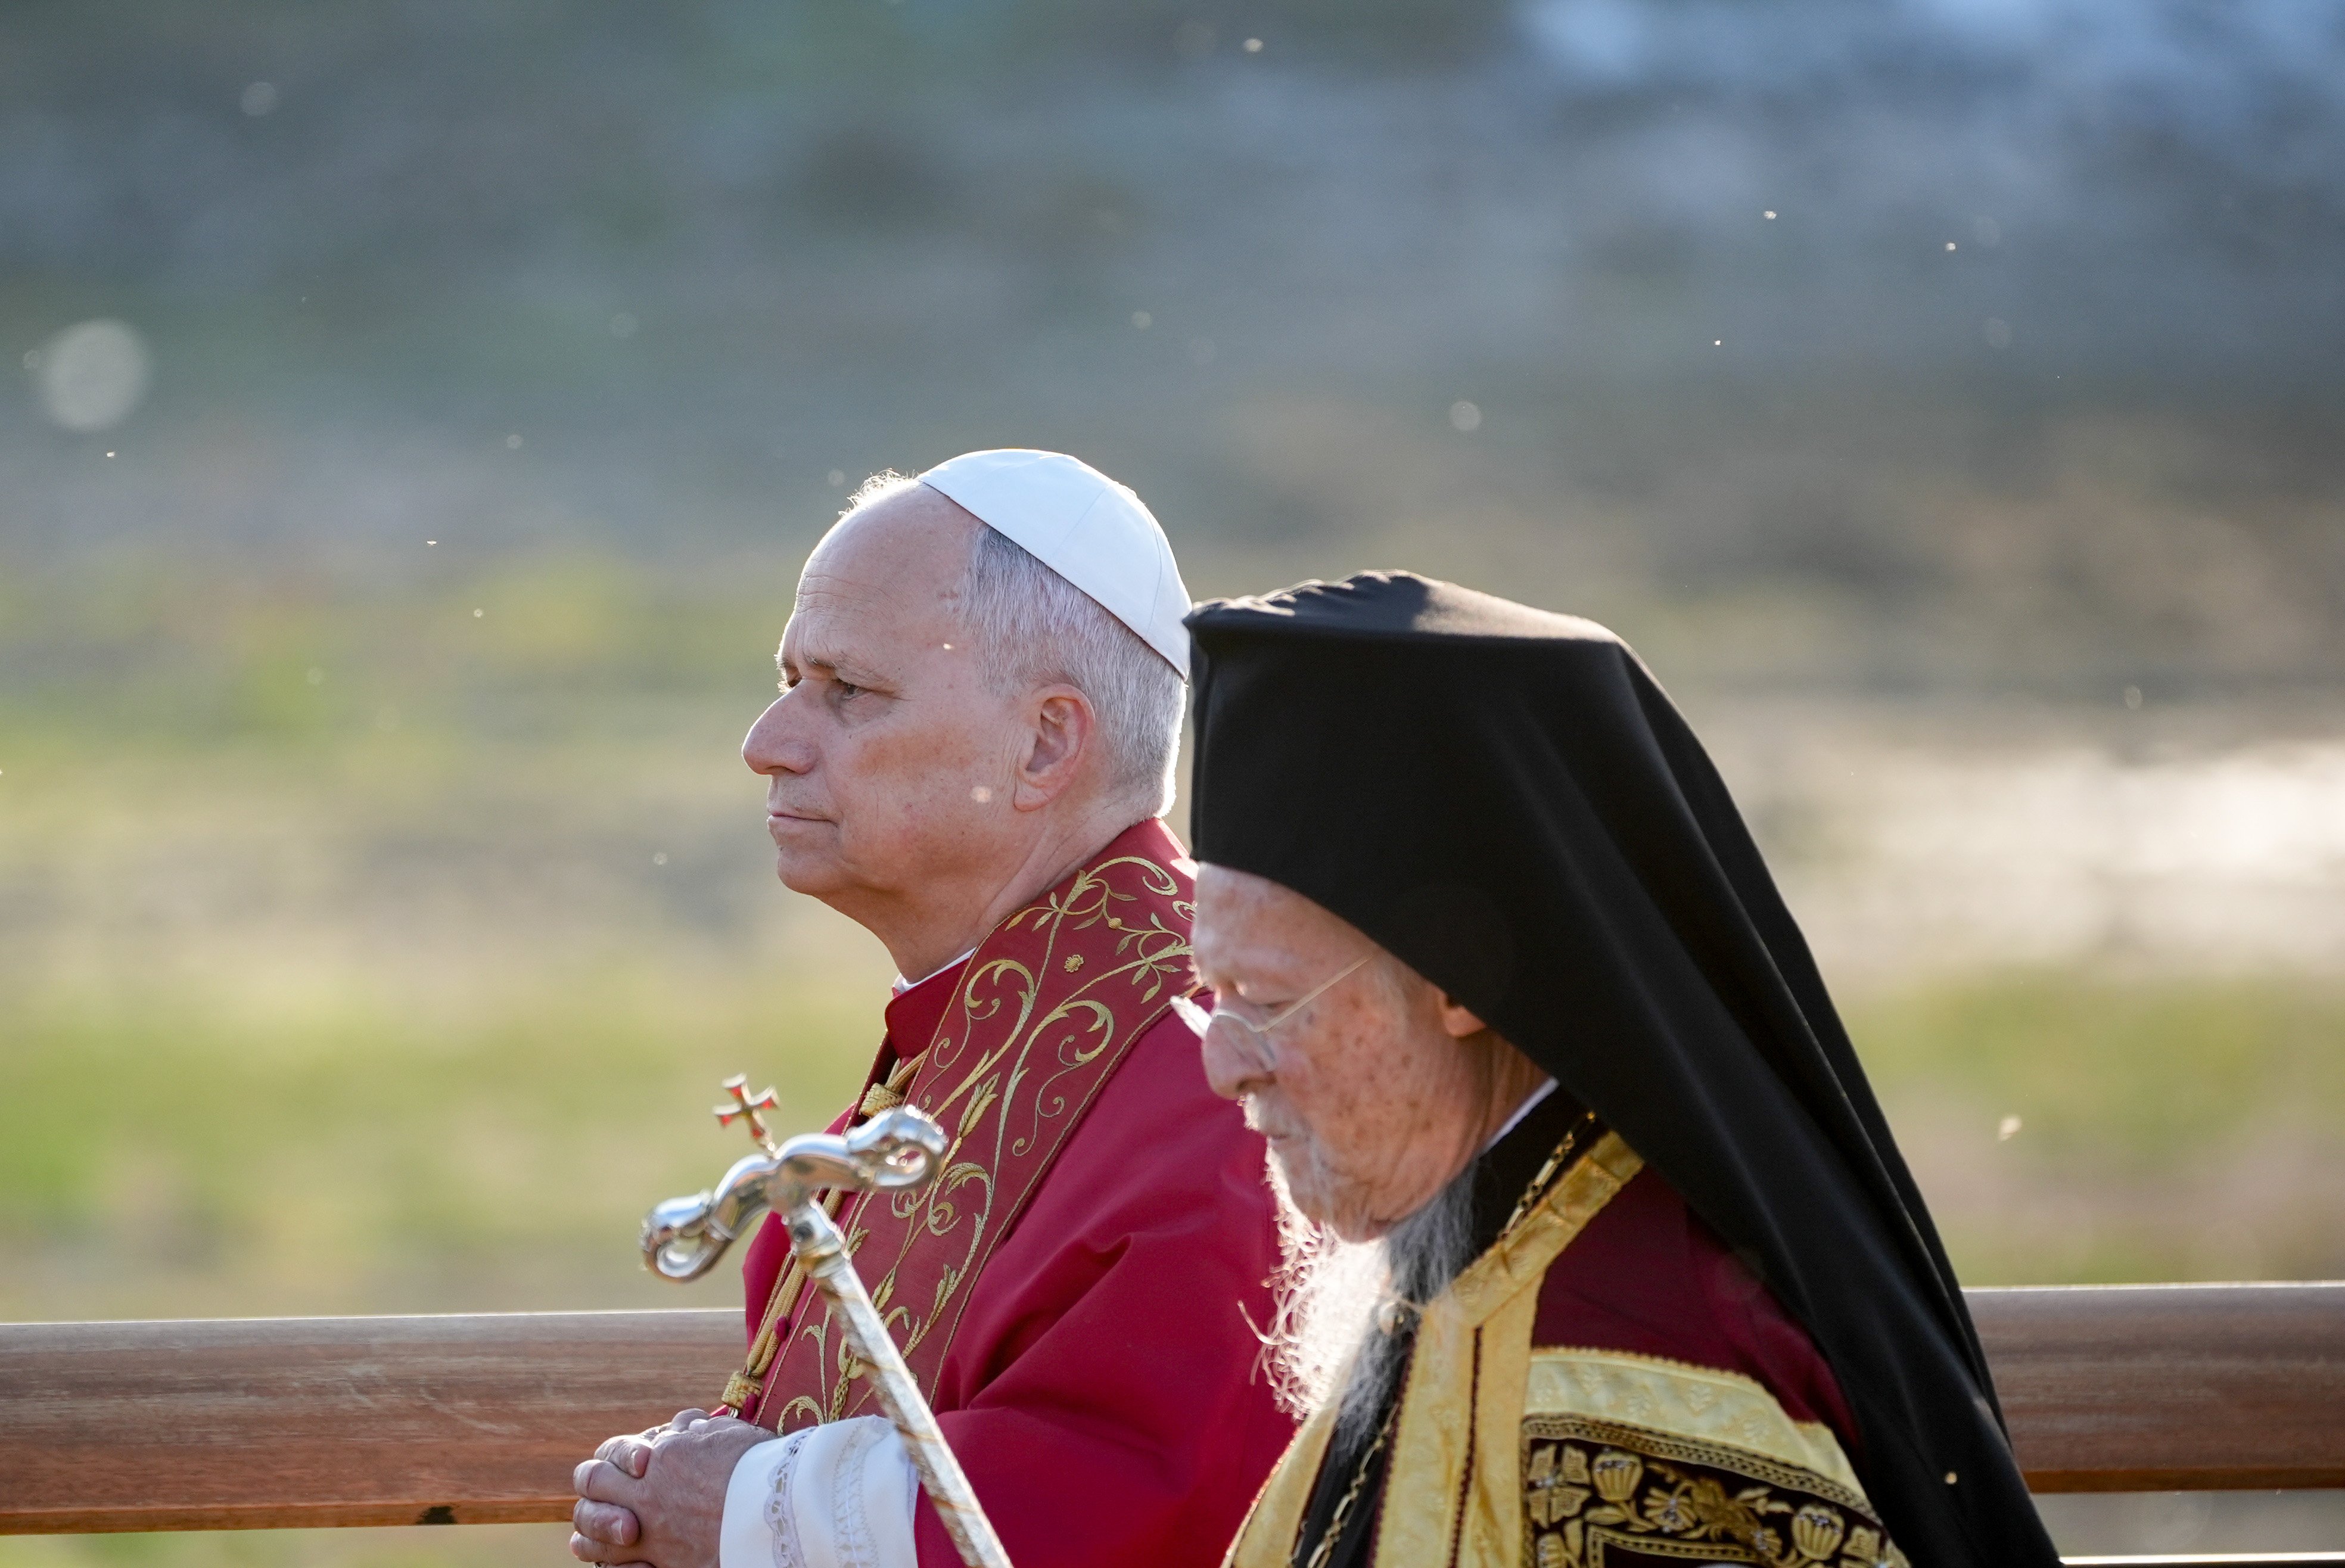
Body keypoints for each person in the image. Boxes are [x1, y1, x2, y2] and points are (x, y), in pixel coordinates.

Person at [1178, 571, 2061, 1568]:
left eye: (1263, 998)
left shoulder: (1630, 1391)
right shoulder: (1474, 1246)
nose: (1220, 1065)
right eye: (1209, 991)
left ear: (1457, 983)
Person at [570, 452, 1295, 1568]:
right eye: (788, 679)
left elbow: (1148, 1507)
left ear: (1047, 743)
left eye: (848, 692)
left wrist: (752, 1507)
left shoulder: (1228, 1080)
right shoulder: (966, 1035)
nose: (768, 742)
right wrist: (689, 1477)